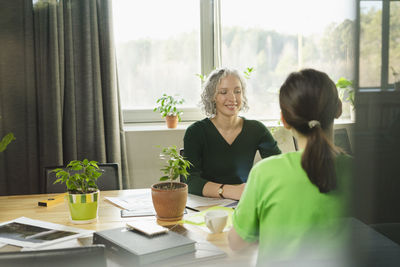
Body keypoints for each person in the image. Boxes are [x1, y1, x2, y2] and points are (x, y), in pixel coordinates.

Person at [228, 69, 352, 264]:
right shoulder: (361, 172)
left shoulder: (264, 173)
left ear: (284, 120)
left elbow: (236, 243)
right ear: (338, 108)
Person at [183, 67, 281, 200]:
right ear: (212, 97)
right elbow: (190, 181)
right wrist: (228, 191)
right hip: (206, 207)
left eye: (237, 91)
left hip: (245, 203)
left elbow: (279, 168)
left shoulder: (257, 129)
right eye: (223, 92)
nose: (232, 98)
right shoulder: (195, 132)